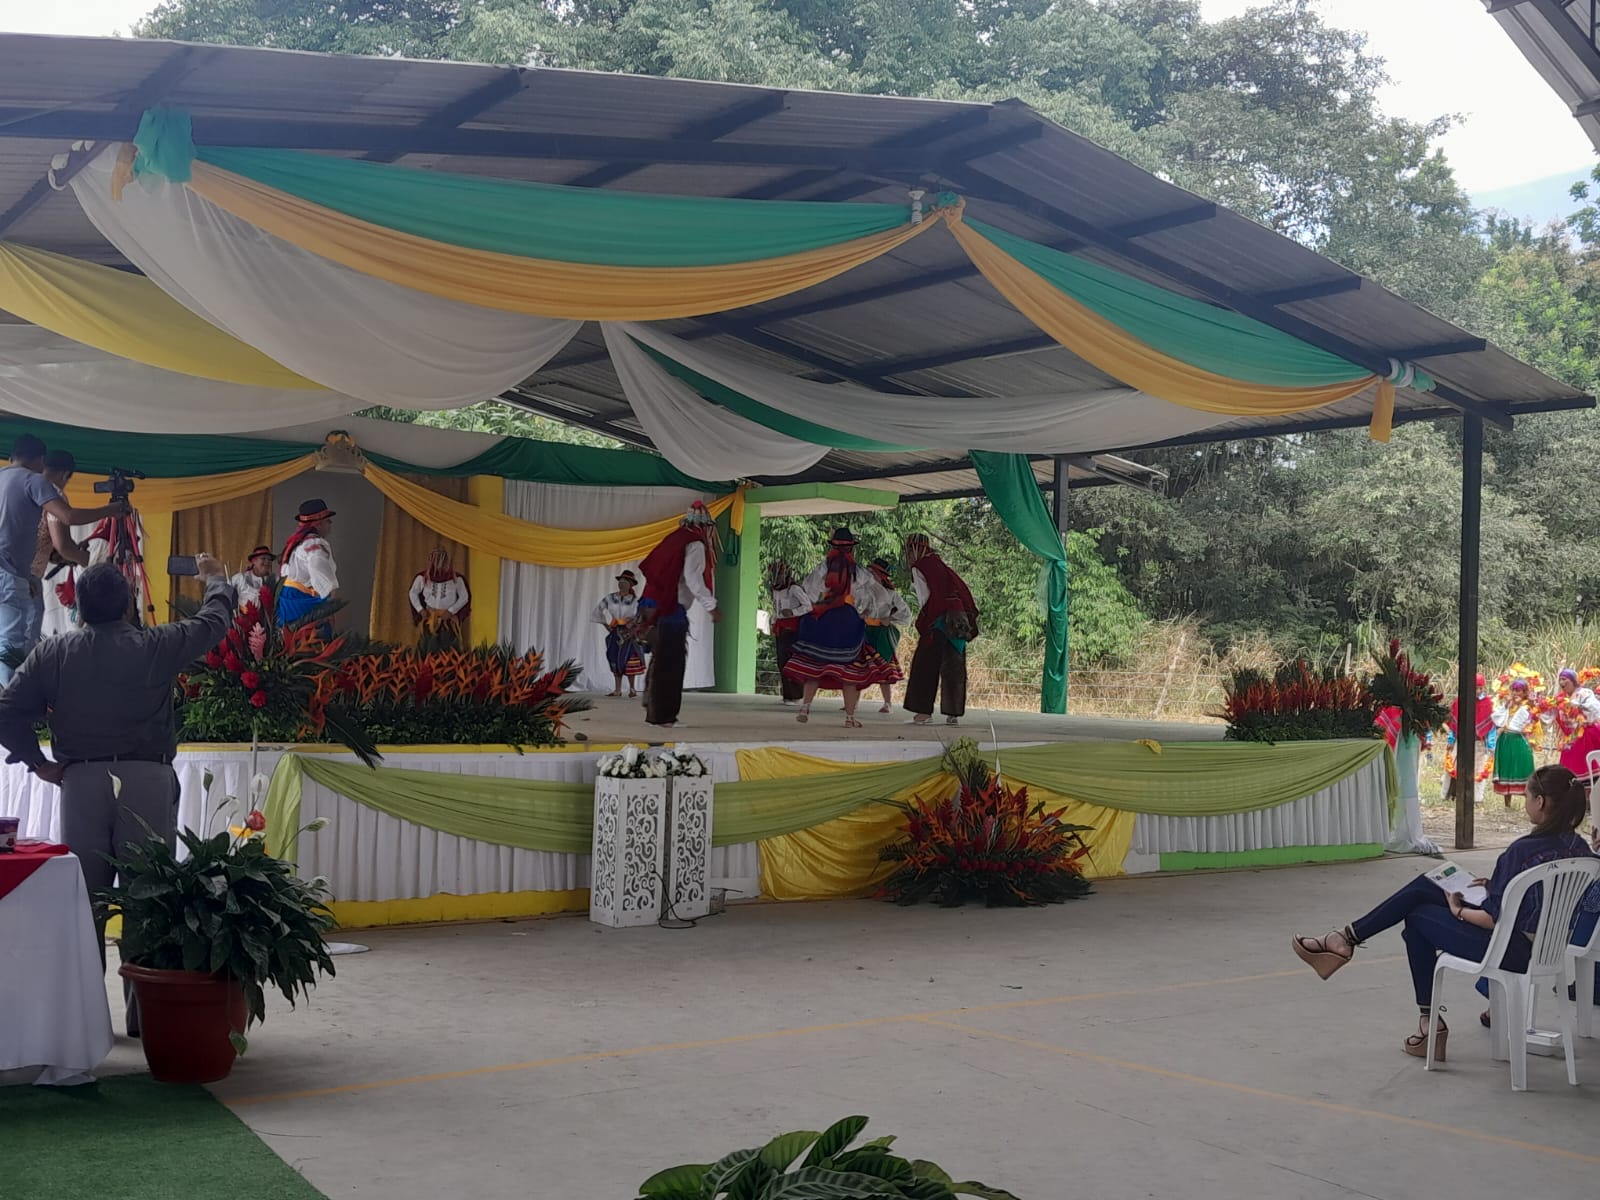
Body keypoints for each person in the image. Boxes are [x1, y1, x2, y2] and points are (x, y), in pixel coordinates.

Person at [0, 556, 236, 1036]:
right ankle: (143, 1017)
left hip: (80, 782)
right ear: (129, 606)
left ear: (80, 610)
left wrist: (38, 763)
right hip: (147, 779)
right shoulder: (157, 645)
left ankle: (84, 1026)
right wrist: (215, 578)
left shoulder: (54, 653)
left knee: (85, 904)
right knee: (147, 900)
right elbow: (214, 622)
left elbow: (6, 712)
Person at [1291, 764, 1600, 1062]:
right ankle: (1348, 942)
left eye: (1527, 797)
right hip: (1547, 948)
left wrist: (1458, 910)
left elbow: (1491, 920)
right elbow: (1544, 894)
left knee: (1417, 918)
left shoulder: (1522, 851)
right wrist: (1496, 886)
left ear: (1541, 802)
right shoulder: (1581, 850)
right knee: (1427, 885)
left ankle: (1424, 1018)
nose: (1526, 803)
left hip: (1508, 948)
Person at [782, 528, 901, 728]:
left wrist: (821, 603)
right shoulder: (859, 572)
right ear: (851, 548)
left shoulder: (824, 567)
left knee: (815, 665)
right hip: (848, 619)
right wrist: (867, 611)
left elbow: (809, 588)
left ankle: (805, 708)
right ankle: (849, 718)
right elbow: (879, 595)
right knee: (850, 671)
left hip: (824, 618)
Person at [638, 501, 720, 728]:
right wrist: (711, 606)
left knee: (660, 659)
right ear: (705, 527)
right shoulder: (695, 544)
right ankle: (662, 716)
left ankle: (652, 706)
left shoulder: (674, 538)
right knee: (671, 663)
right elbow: (693, 580)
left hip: (650, 605)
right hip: (669, 608)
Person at [903, 533, 979, 727]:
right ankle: (953, 714)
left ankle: (923, 713)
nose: (908, 555)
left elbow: (926, 598)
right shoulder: (941, 565)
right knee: (954, 668)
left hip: (938, 622)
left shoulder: (920, 567)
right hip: (958, 622)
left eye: (909, 550)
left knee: (925, 666)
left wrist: (924, 622)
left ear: (915, 549)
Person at [26, 450, 90, 651]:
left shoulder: (26, 488)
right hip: (26, 579)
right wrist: (90, 561)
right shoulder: (54, 495)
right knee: (24, 641)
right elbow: (64, 546)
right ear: (65, 474)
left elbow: (40, 540)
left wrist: (59, 556)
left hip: (9, 570)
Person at [861, 558, 912, 714]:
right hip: (865, 631)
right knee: (859, 666)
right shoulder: (863, 592)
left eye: (873, 573)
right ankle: (852, 702)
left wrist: (889, 619)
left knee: (884, 667)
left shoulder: (891, 595)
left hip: (881, 634)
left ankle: (887, 703)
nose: (870, 575)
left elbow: (906, 614)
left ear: (880, 576)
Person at [278, 499, 339, 629]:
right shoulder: (315, 544)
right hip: (301, 601)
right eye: (328, 520)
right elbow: (320, 571)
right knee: (311, 637)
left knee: (289, 636)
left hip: (288, 599)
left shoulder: (296, 543)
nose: (330, 523)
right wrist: (330, 608)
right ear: (319, 523)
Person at [591, 569, 647, 698]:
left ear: (630, 584)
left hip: (630, 634)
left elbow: (641, 615)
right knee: (614, 657)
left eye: (625, 582)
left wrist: (633, 624)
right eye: (620, 581)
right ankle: (617, 689)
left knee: (630, 660)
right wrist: (606, 625)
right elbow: (598, 610)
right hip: (616, 632)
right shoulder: (610, 598)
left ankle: (632, 689)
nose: (622, 584)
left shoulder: (635, 600)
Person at [1444, 672, 1494, 805]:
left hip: (1479, 742)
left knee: (1478, 768)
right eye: (1475, 688)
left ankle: (1476, 797)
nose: (1478, 691)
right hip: (1461, 740)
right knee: (1455, 766)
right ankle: (1452, 793)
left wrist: (1491, 745)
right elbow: (1454, 725)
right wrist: (1451, 740)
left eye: (1480, 688)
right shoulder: (1459, 702)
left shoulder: (1488, 703)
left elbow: (1491, 726)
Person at [408, 547, 471, 653]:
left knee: (448, 649)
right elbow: (412, 593)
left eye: (441, 560)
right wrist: (420, 610)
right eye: (436, 560)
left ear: (446, 561)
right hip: (429, 618)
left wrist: (451, 611)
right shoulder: (422, 578)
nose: (439, 564)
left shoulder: (456, 578)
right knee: (427, 648)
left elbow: (464, 597)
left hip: (448, 620)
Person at [1491, 676, 1539, 805]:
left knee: (1522, 768)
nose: (1515, 693)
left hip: (1519, 740)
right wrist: (1506, 705)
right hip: (1505, 740)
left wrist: (1531, 704)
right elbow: (1496, 718)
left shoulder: (1528, 706)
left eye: (1519, 690)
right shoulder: (1507, 705)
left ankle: (1529, 803)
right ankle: (1507, 804)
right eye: (1513, 690)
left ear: (1525, 693)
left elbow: (1534, 720)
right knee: (1506, 768)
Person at [766, 560, 807, 704]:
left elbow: (808, 606)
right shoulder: (775, 590)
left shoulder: (794, 589)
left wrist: (793, 612)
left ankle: (797, 695)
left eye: (778, 574)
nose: (775, 577)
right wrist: (773, 621)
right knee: (781, 662)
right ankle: (788, 695)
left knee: (791, 661)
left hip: (793, 628)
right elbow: (775, 609)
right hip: (780, 628)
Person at [1554, 667, 1600, 785]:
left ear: (1574, 680)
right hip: (1570, 739)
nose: (1562, 682)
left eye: (1565, 679)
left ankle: (1590, 792)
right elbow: (1551, 715)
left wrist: (1578, 705)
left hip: (1586, 737)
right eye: (1560, 679)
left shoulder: (1584, 693)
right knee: (1569, 771)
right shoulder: (1560, 699)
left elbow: (1595, 708)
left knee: (1587, 768)